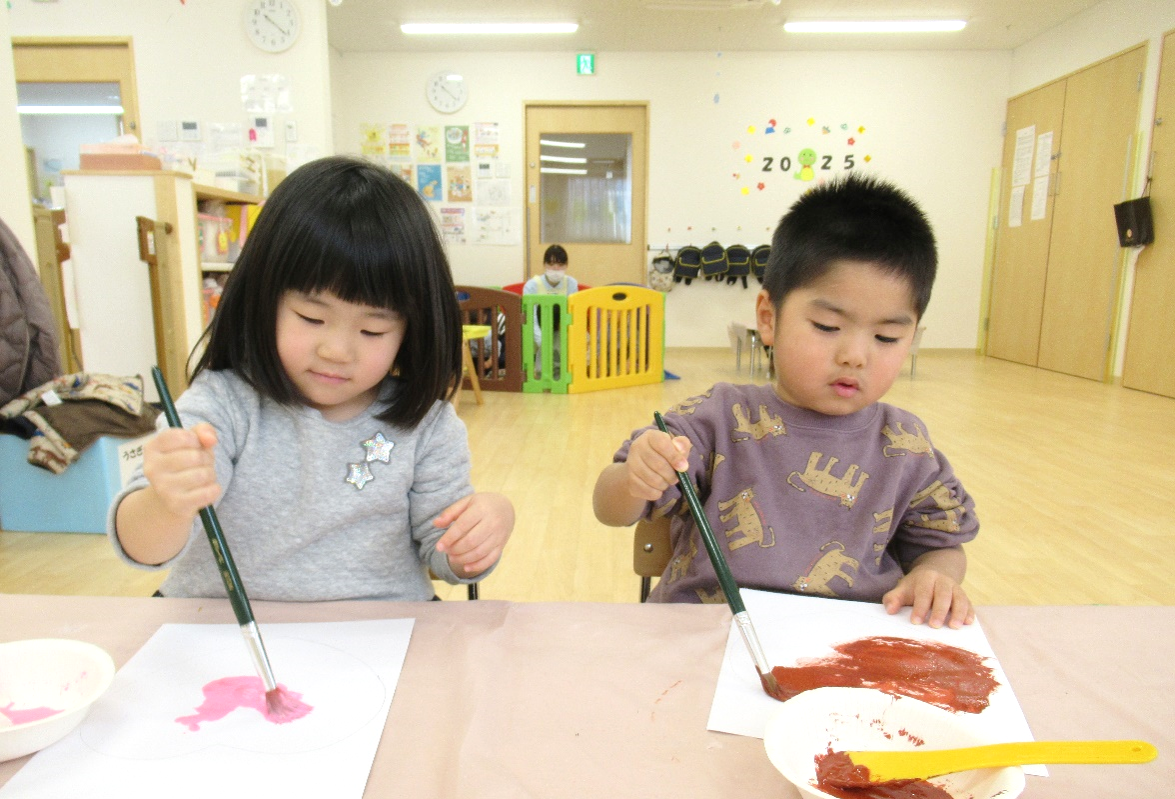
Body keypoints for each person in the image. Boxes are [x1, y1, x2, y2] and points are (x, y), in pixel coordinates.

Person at [110, 155, 515, 601]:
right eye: (310, 317)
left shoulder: (427, 425)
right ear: (264, 301)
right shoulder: (223, 405)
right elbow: (142, 548)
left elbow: (446, 560)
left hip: (379, 637)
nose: (336, 350)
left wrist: (481, 531)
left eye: (372, 330)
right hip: (229, 641)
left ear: (410, 329)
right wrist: (166, 503)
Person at [593, 174, 977, 628]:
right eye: (827, 327)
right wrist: (636, 477)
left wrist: (936, 575)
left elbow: (940, 543)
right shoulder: (718, 418)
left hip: (847, 649)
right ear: (768, 318)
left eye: (887, 336)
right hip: (707, 642)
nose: (855, 355)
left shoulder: (905, 444)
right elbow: (610, 507)